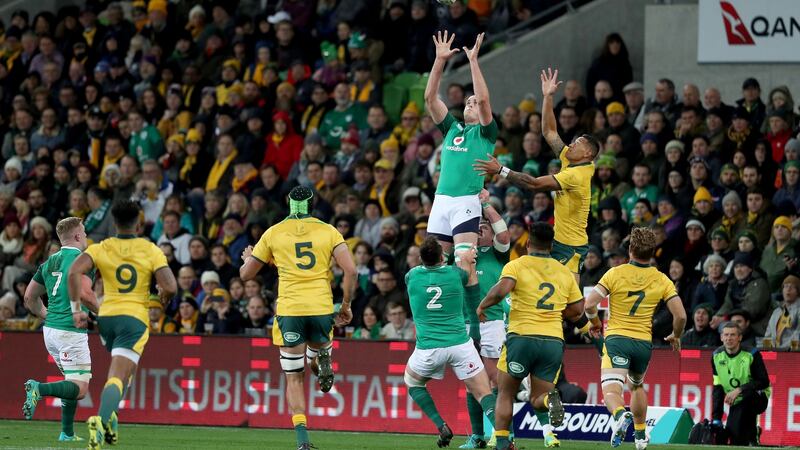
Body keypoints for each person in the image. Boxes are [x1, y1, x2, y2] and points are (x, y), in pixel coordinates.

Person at [239, 186, 356, 450]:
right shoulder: (329, 231)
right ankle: (318, 361)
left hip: (290, 310)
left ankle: (302, 440)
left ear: (289, 204)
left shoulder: (273, 232)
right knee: (315, 357)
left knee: (294, 376)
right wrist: (346, 305)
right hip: (321, 307)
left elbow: (246, 275)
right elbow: (351, 271)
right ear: (313, 205)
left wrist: (247, 259)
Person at [67, 200, 177, 450]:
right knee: (118, 375)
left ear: (114, 223)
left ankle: (112, 419)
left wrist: (76, 310)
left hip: (106, 318)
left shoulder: (101, 247)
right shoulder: (150, 249)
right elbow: (170, 285)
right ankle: (101, 421)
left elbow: (74, 272)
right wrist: (164, 293)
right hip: (134, 319)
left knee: (127, 370)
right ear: (139, 224)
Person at [475, 68, 599, 286]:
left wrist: (501, 170)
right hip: (562, 241)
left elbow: (533, 184)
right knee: (560, 295)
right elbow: (549, 132)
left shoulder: (576, 175)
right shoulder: (572, 160)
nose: (571, 145)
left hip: (570, 245)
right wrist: (548, 97)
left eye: (577, 143)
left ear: (588, 153)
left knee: (566, 297)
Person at [478, 222, 595, 450]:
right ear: (551, 246)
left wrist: (482, 306)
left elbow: (501, 291)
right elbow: (577, 310)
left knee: (505, 393)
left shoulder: (517, 265)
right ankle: (550, 400)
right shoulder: (563, 272)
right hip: (552, 341)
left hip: (522, 337)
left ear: (528, 243)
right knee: (538, 398)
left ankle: (502, 442)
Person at [585, 227, 687, 450]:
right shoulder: (661, 279)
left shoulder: (615, 273)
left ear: (630, 249)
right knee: (637, 386)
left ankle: (620, 415)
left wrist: (595, 323)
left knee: (612, 390)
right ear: (652, 251)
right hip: (642, 343)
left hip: (617, 340)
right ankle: (640, 435)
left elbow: (589, 304)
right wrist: (676, 335)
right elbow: (680, 315)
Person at [403, 236, 496, 448]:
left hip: (428, 349)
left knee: (412, 382)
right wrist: (467, 258)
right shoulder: (455, 275)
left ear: (421, 258)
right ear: (441, 257)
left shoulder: (412, 276)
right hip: (459, 344)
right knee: (483, 392)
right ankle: (503, 437)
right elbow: (469, 277)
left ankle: (441, 425)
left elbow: (426, 267)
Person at [423, 31, 496, 286]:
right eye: (468, 102)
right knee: (433, 267)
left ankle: (472, 313)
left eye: (473, 102)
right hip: (441, 201)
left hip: (466, 200)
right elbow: (430, 98)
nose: (471, 103)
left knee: (465, 261)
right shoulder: (452, 129)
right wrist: (439, 60)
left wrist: (473, 61)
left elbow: (484, 99)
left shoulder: (486, 134)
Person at [21, 217, 97, 441]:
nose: (85, 236)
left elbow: (29, 297)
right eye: (84, 232)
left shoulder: (49, 262)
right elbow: (85, 294)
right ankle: (39, 389)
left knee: (70, 380)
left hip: (51, 332)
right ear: (77, 236)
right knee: (79, 388)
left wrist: (48, 315)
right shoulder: (84, 261)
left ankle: (67, 433)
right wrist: (106, 315)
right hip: (70, 331)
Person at [458, 190, 511, 449]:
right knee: (472, 382)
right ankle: (477, 436)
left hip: (492, 322)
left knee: (494, 380)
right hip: (466, 324)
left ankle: (501, 433)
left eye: (484, 227)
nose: (479, 230)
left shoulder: (497, 253)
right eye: (475, 226)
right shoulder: (462, 255)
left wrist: (485, 204)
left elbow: (504, 235)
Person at [711, 322, 771, 446]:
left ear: (740, 338)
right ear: (721, 337)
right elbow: (718, 388)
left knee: (745, 402)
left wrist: (739, 390)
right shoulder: (716, 356)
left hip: (757, 398)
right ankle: (752, 434)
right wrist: (716, 418)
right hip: (737, 401)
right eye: (726, 335)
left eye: (733, 335)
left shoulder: (751, 354)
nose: (729, 338)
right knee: (735, 439)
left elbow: (764, 381)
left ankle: (752, 433)